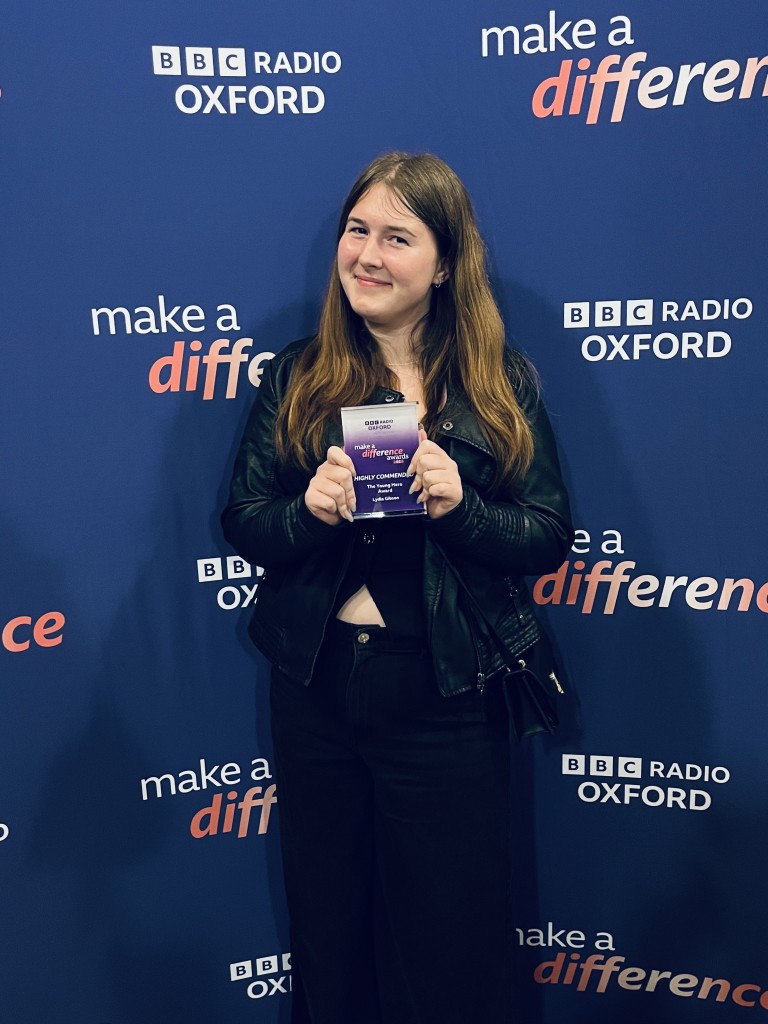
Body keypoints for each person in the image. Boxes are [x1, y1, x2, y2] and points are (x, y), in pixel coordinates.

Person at [222, 152, 573, 1024]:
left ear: (446, 262)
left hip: (447, 692)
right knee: (331, 931)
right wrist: (309, 511)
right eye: (356, 231)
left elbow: (546, 536)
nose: (367, 256)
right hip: (319, 689)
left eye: (397, 237)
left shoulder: (499, 384)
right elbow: (244, 521)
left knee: (452, 942)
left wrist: (460, 508)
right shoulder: (297, 373)